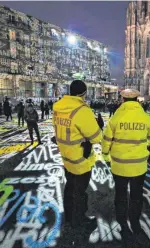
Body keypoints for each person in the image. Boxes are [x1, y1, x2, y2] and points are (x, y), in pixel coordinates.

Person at [102, 89, 150, 244]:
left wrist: (106, 154)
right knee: (136, 194)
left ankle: (121, 218)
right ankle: (134, 218)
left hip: (119, 165)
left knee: (120, 193)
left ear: (123, 100)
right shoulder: (145, 118)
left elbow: (106, 140)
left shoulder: (116, 118)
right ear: (137, 100)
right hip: (139, 166)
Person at [53, 80, 102, 231]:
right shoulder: (82, 110)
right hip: (80, 159)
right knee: (79, 191)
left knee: (70, 187)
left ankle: (68, 216)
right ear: (84, 93)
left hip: (66, 155)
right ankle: (79, 220)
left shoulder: (59, 107)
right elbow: (96, 137)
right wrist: (99, 125)